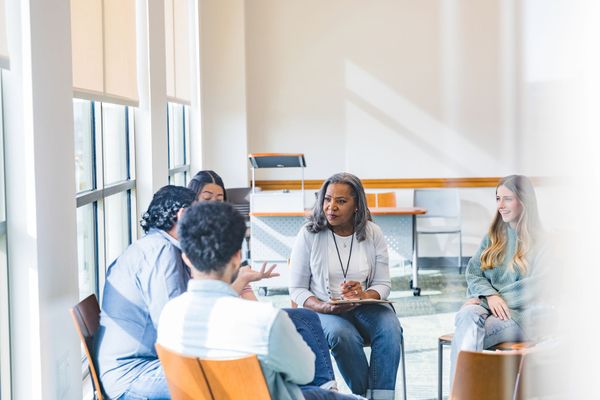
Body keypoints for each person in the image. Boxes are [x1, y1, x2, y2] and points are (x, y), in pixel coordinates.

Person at [158, 202, 362, 400]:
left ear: (186, 257)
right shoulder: (265, 319)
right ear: (237, 257)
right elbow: (306, 373)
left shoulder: (169, 315)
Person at [95, 185, 275, 400]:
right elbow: (174, 327)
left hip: (143, 366)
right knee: (236, 375)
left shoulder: (156, 246)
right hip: (136, 375)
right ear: (182, 215)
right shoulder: (161, 251)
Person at [188, 169, 343, 392]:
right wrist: (245, 284)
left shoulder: (172, 315)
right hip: (242, 365)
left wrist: (256, 305)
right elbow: (303, 371)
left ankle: (327, 387)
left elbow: (247, 299)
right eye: (207, 198)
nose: (214, 204)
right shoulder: (194, 243)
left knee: (304, 317)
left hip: (225, 370)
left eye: (219, 199)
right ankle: (327, 390)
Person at [289, 172, 403, 400]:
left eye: (341, 201)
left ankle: (380, 398)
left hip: (364, 305)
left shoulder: (372, 232)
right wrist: (323, 306)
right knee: (342, 335)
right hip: (324, 308)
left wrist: (364, 294)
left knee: (391, 328)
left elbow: (383, 283)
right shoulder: (309, 234)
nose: (331, 207)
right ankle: (364, 397)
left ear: (357, 205)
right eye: (327, 199)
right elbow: (297, 289)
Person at [450, 175, 546, 382]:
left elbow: (535, 288)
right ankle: (467, 394)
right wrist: (490, 296)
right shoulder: (494, 237)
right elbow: (473, 272)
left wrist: (486, 299)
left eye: (507, 199)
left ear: (525, 201)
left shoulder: (542, 243)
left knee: (466, 333)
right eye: (497, 198)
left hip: (520, 316)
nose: (500, 205)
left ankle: (462, 393)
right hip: (489, 308)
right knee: (467, 316)